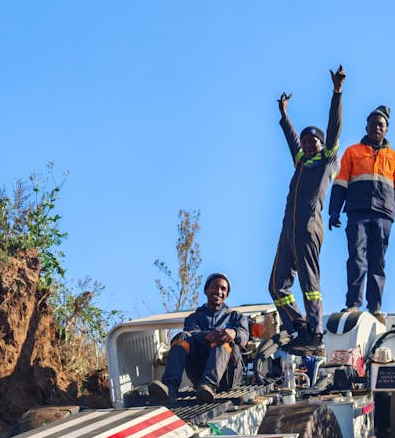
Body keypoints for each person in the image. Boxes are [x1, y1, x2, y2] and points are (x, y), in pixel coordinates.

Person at [268, 65, 346, 355]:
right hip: (288, 230)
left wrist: (337, 92)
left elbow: (335, 126)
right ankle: (299, 327)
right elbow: (291, 140)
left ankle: (316, 334)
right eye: (304, 140)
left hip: (309, 227)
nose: (307, 143)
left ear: (323, 144)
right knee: (276, 286)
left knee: (309, 284)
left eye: (312, 139)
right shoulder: (301, 163)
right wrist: (284, 115)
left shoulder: (327, 162)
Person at [328, 105, 395, 322]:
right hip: (357, 212)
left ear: (386, 130)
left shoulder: (394, 158)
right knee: (357, 258)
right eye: (373, 123)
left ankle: (375, 308)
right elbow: (340, 183)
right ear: (366, 126)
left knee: (378, 261)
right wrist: (334, 211)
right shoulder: (352, 152)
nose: (376, 127)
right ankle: (353, 304)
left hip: (384, 215)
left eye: (381, 124)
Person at [148, 273, 249, 405]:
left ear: (227, 295)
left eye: (223, 289)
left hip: (227, 377)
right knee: (182, 337)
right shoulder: (193, 318)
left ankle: (209, 386)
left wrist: (234, 333)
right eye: (214, 287)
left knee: (223, 340)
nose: (218, 291)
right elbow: (191, 332)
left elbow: (245, 335)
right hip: (199, 376)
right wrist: (206, 336)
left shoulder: (236, 317)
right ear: (206, 290)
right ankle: (170, 388)